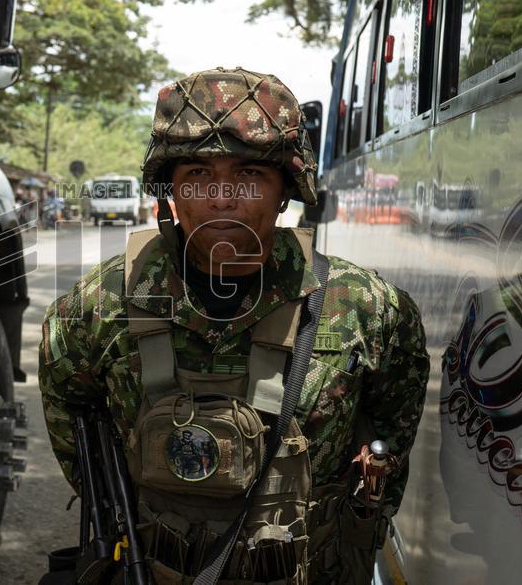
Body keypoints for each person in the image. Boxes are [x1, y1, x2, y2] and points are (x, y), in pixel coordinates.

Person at [39, 68, 429, 584]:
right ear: (169, 191)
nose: (223, 196)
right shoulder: (96, 308)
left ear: (285, 190)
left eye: (249, 174)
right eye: (198, 175)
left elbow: (387, 447)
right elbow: (77, 432)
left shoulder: (368, 310)